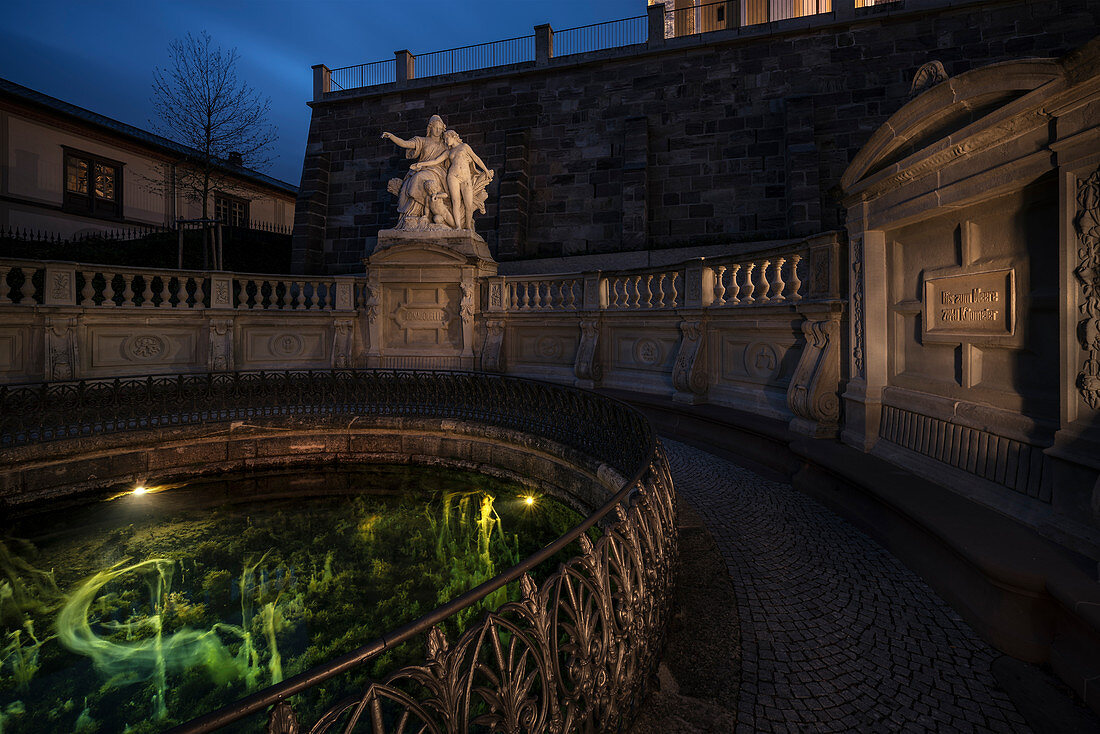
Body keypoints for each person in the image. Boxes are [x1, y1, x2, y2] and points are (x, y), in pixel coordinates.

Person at [412, 129, 494, 231]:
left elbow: (476, 158)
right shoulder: (448, 152)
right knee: (456, 202)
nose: (446, 141)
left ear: (453, 136)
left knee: (468, 203)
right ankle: (458, 226)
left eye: (447, 138)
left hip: (465, 177)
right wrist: (420, 164)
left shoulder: (464, 147)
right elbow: (435, 161)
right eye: (445, 139)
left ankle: (468, 226)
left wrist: (485, 170)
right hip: (453, 176)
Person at [380, 115, 448, 227]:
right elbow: (405, 143)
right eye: (436, 127)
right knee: (407, 184)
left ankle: (418, 214)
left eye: (440, 128)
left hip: (437, 172)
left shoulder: (445, 145)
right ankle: (411, 214)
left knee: (418, 178)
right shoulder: (422, 141)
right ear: (430, 127)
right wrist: (392, 136)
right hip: (422, 169)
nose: (438, 130)